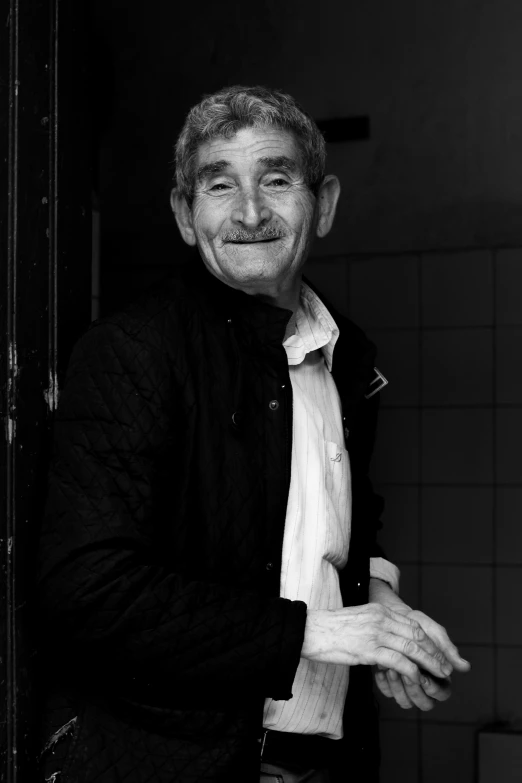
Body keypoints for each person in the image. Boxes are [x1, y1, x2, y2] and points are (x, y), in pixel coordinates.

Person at [37, 85, 470, 783]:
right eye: (219, 185)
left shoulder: (346, 353)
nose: (249, 213)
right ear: (184, 214)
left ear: (322, 202)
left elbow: (344, 518)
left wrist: (379, 606)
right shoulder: (134, 352)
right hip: (175, 759)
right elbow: (87, 591)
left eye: (276, 179)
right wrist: (318, 630)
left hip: (326, 758)